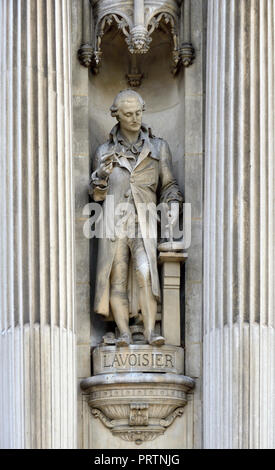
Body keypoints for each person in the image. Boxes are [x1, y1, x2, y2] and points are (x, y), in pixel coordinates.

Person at [90, 90, 183, 347]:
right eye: (128, 114)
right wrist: (101, 176)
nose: (134, 119)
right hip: (113, 223)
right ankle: (123, 333)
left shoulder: (158, 147)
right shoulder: (104, 151)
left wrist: (172, 204)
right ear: (116, 115)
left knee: (145, 273)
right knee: (116, 277)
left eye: (138, 113)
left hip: (145, 219)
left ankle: (152, 332)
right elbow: (96, 195)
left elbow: (169, 185)